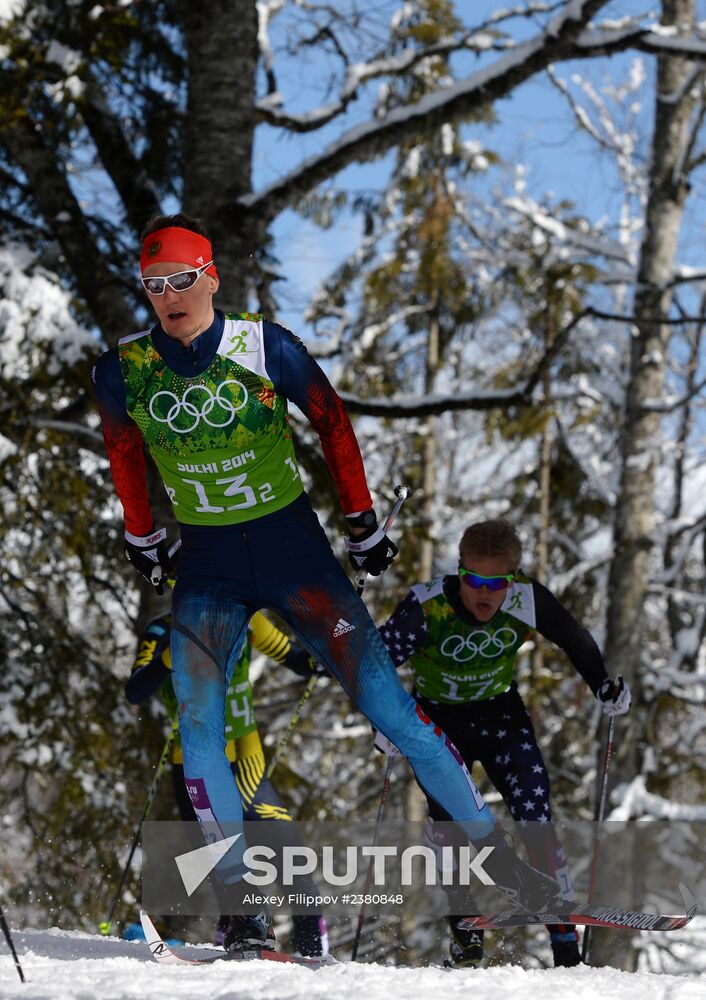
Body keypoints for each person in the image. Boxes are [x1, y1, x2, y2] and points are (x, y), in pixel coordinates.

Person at [91, 212, 562, 958]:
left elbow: (331, 420)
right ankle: (241, 908)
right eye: (154, 286)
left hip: (296, 561)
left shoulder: (262, 344)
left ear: (211, 276)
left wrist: (362, 523)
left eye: (182, 280)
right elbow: (123, 450)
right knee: (200, 730)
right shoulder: (124, 369)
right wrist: (141, 533)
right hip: (209, 569)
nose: (169, 296)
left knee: (395, 713)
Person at [377, 518, 631, 969]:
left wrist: (602, 685)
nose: (484, 593)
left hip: (500, 715)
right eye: (473, 579)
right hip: (437, 720)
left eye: (496, 583)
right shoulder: (427, 605)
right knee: (448, 822)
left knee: (534, 811)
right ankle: (465, 933)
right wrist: (387, 720)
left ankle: (564, 945)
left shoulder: (525, 599)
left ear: (512, 579)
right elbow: (375, 665)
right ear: (459, 571)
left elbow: (573, 638)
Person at [125, 606, 328, 956]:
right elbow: (136, 690)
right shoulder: (161, 631)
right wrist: (170, 658)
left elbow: (294, 658)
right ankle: (236, 935)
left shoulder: (245, 619)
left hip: (244, 759)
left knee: (283, 847)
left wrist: (323, 659)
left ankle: (312, 940)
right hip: (191, 764)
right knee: (218, 860)